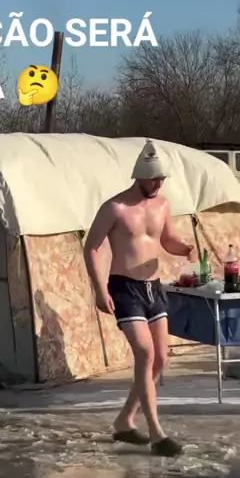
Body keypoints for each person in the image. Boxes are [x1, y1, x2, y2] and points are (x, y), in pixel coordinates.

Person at [83, 139, 196, 457]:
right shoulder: (115, 207)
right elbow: (91, 247)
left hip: (153, 287)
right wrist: (100, 289)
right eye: (154, 180)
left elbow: (167, 239)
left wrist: (186, 248)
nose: (158, 185)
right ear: (139, 177)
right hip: (125, 287)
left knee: (160, 359)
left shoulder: (162, 205)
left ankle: (125, 420)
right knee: (145, 354)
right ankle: (158, 434)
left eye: (162, 180)